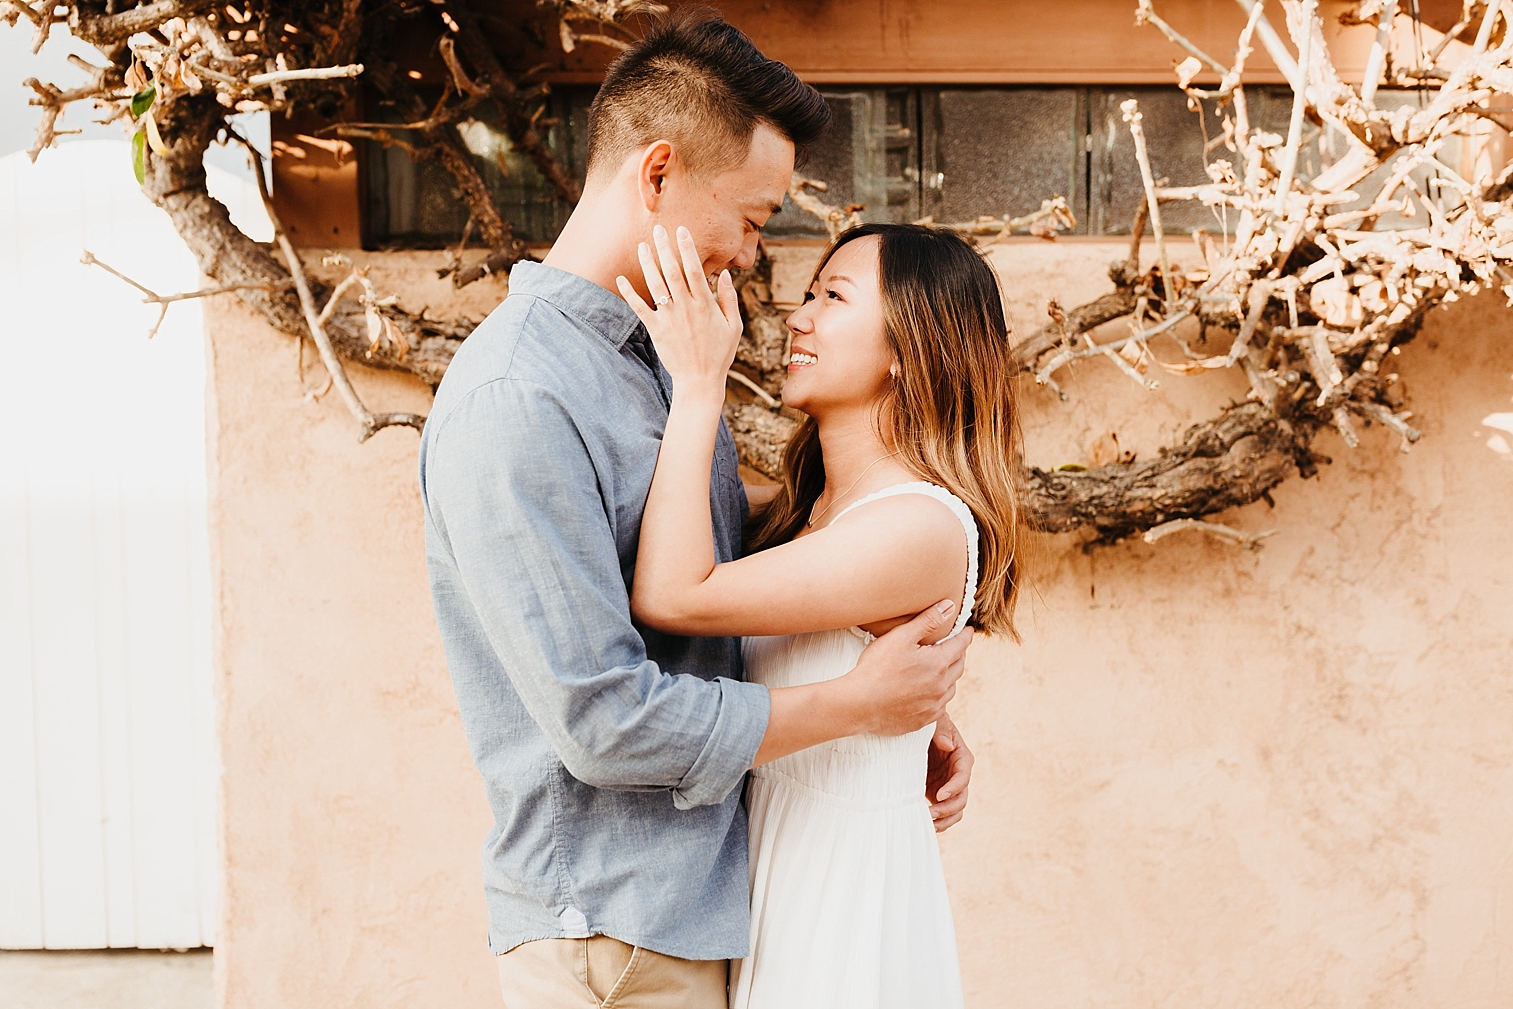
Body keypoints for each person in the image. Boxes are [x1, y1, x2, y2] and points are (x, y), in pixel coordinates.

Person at [418, 13, 978, 1008]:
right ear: (658, 173)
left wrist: (884, 720)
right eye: (753, 219)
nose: (754, 259)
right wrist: (852, 706)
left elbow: (747, 575)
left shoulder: (653, 365)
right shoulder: (521, 394)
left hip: (694, 912)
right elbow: (602, 719)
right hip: (611, 924)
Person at [623, 221, 1026, 1009]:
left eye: (831, 297)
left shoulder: (916, 525)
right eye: (807, 293)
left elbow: (674, 592)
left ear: (909, 348)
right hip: (776, 875)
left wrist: (700, 382)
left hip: (842, 900)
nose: (796, 316)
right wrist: (915, 722)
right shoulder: (812, 515)